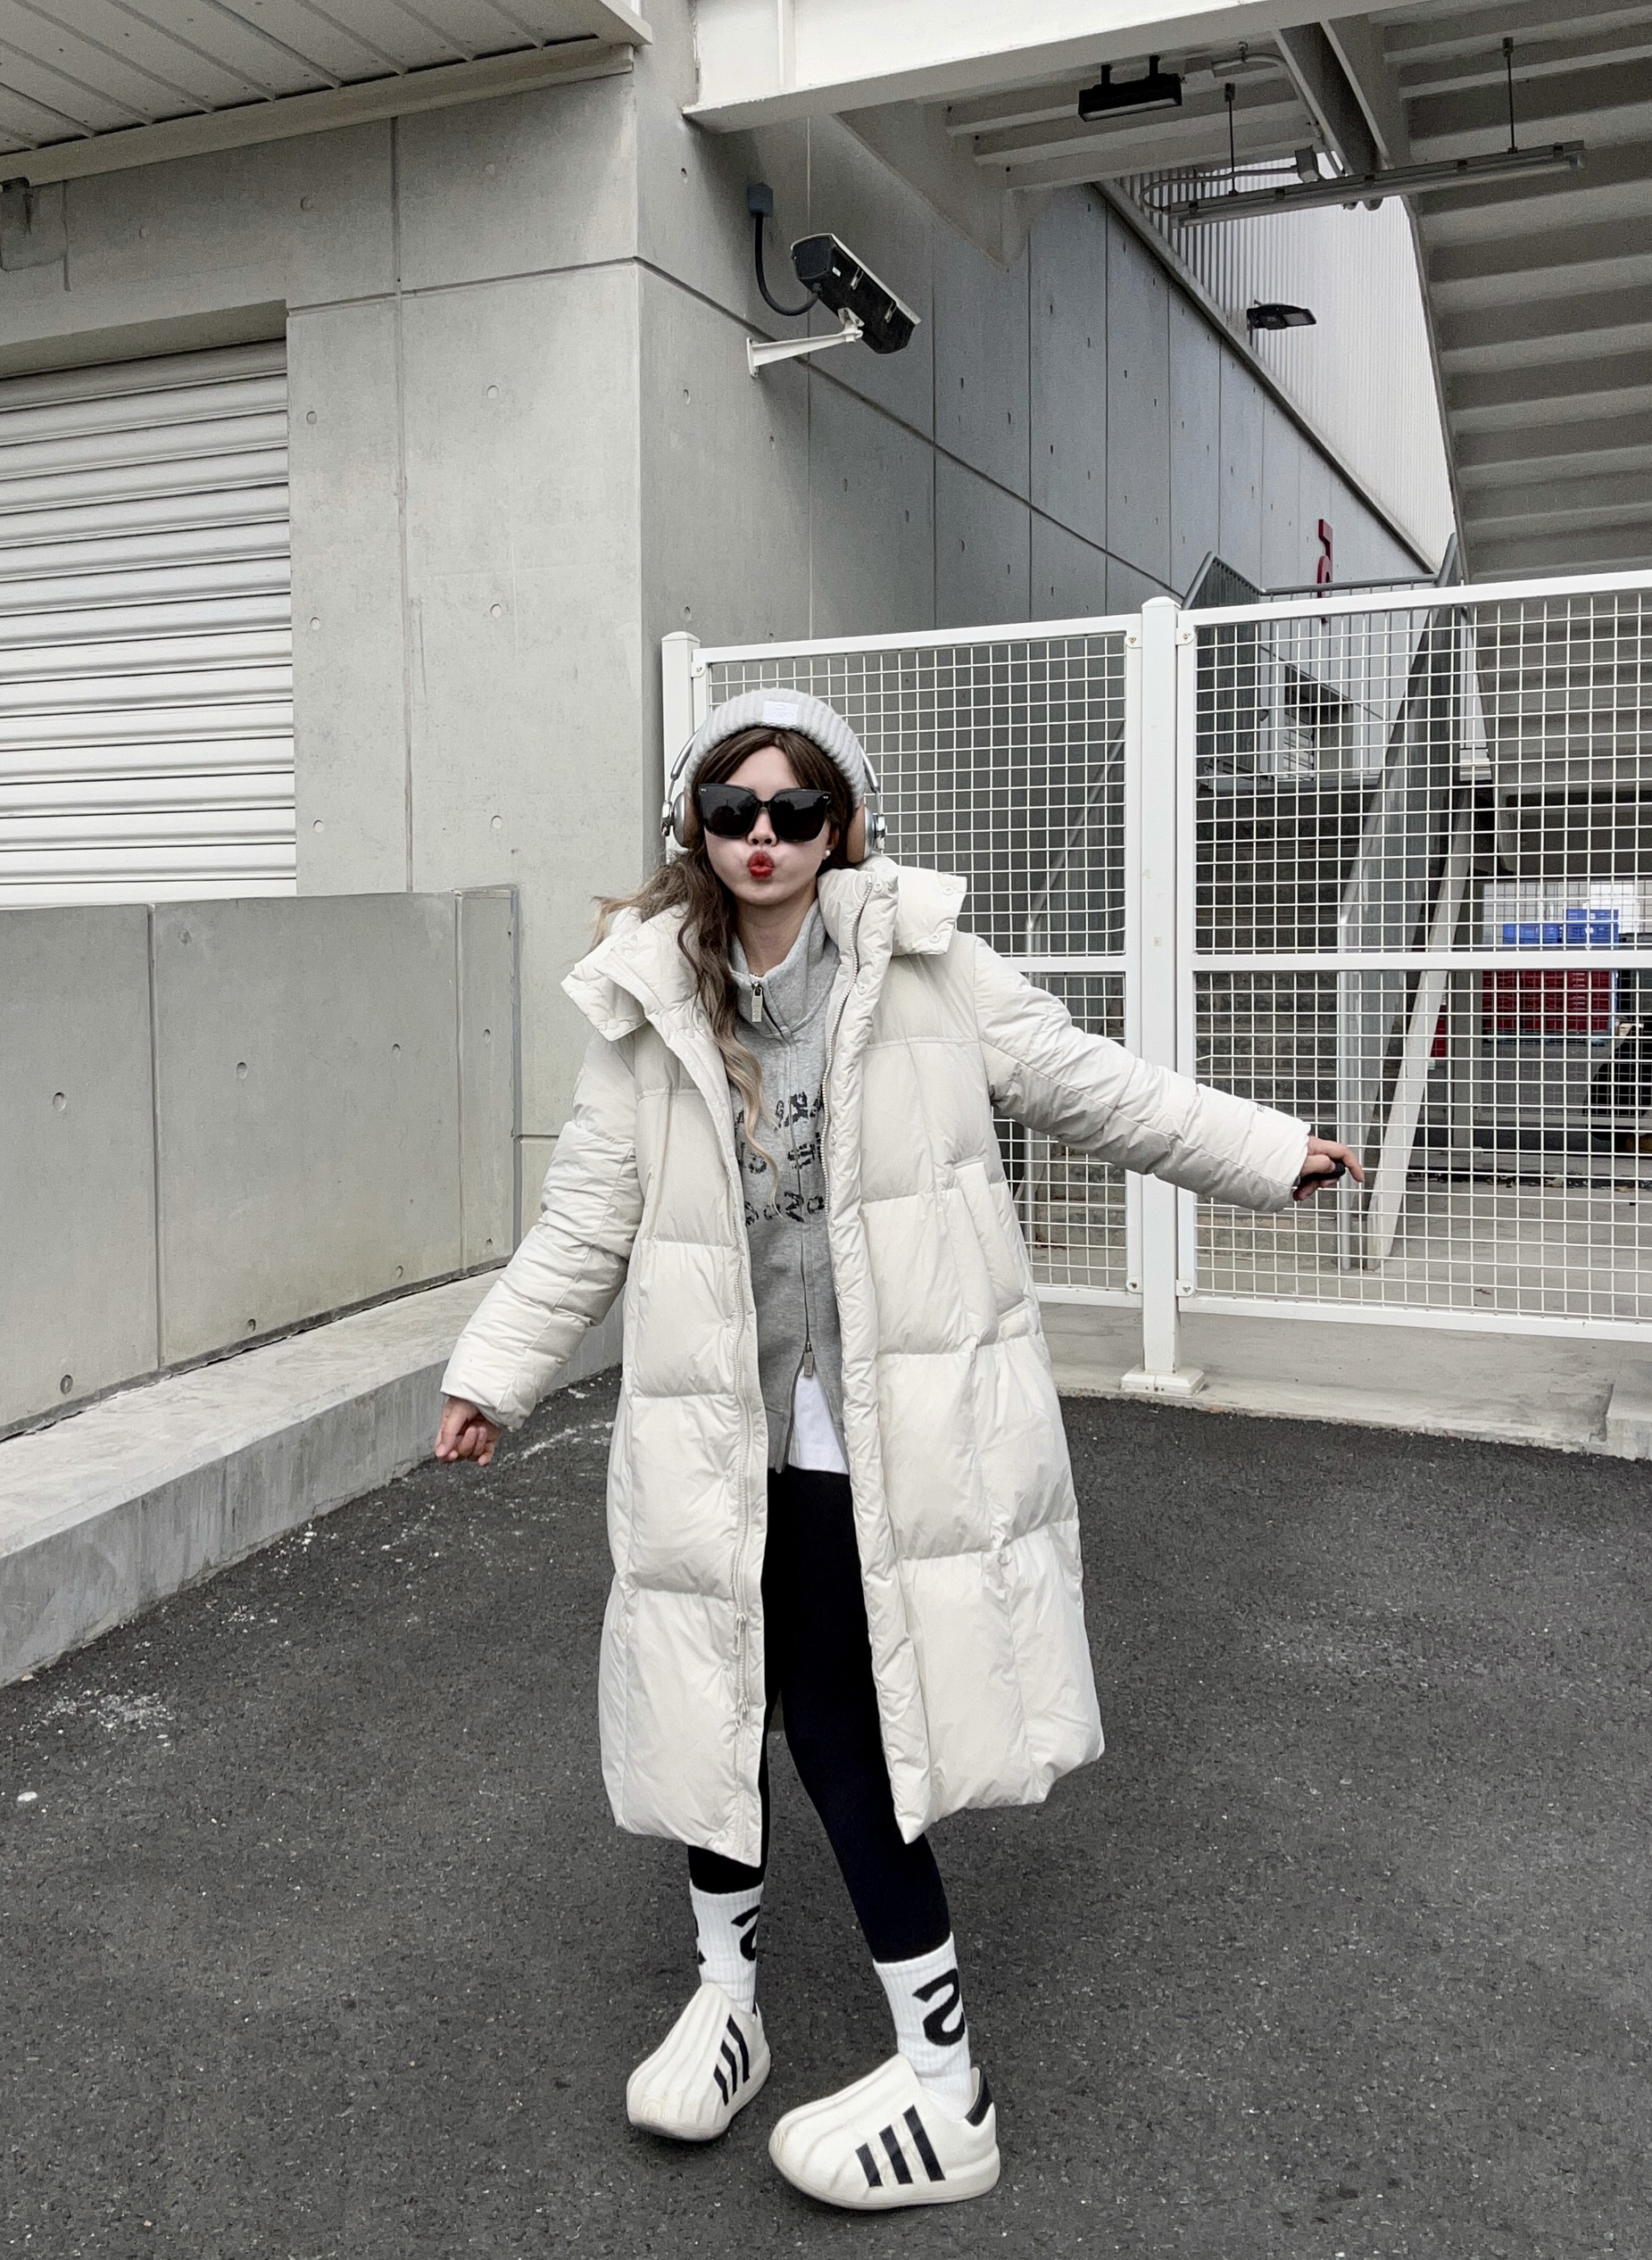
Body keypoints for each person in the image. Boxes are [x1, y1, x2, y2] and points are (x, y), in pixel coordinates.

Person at [434, 690, 1361, 2211]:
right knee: (713, 1711)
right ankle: (727, 2004)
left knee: (841, 1731)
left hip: (876, 1429)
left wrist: (1266, 1151)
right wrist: (494, 1373)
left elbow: (1091, 1085)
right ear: (694, 826)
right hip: (713, 1428)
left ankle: (945, 2083)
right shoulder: (649, 1004)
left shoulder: (928, 968)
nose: (762, 837)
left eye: (794, 810)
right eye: (732, 809)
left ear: (842, 826)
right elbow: (583, 1224)